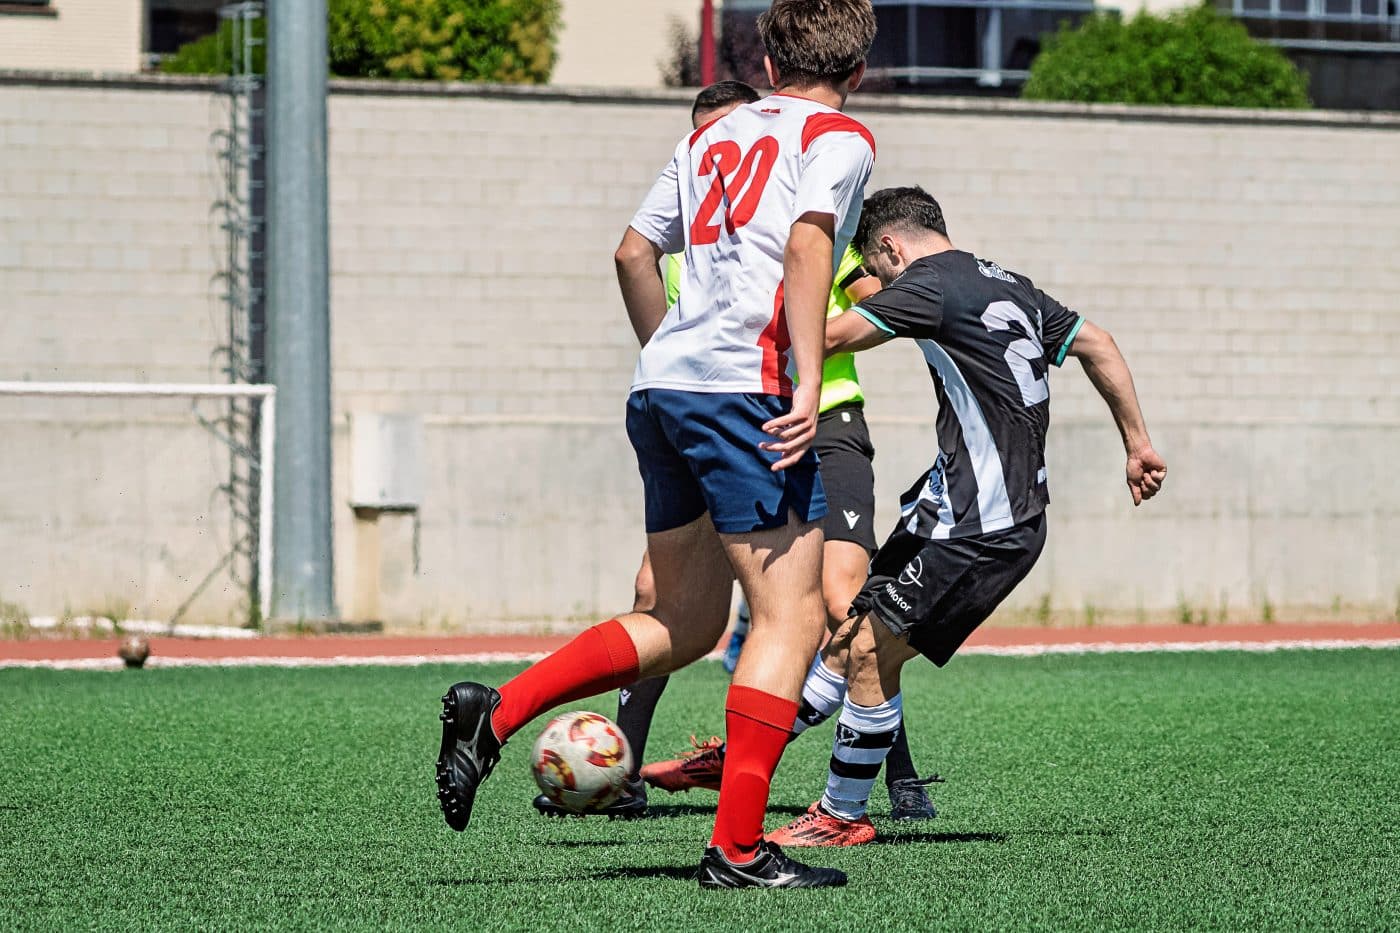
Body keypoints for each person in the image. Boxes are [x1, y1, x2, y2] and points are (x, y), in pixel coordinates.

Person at [435, 0, 879, 890]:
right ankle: (739, 848)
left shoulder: (707, 136)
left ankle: (497, 711)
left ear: (766, 55)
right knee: (789, 616)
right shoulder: (841, 135)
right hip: (744, 391)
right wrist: (798, 378)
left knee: (685, 620)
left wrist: (668, 361)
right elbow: (805, 247)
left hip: (664, 382)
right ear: (857, 68)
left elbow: (632, 254)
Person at [765, 186, 1168, 847]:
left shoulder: (929, 284)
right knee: (850, 637)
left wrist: (801, 269)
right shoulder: (1006, 283)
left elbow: (833, 333)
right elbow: (1099, 342)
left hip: (986, 525)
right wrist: (1138, 442)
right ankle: (749, 754)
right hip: (964, 512)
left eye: (875, 264)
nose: (878, 279)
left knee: (868, 650)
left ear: (890, 247)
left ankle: (840, 814)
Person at [637, 242, 942, 823]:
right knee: (656, 591)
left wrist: (803, 338)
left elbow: (878, 304)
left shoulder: (822, 234)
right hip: (737, 429)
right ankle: (620, 778)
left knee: (843, 599)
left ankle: (898, 777)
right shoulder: (687, 253)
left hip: (826, 423)